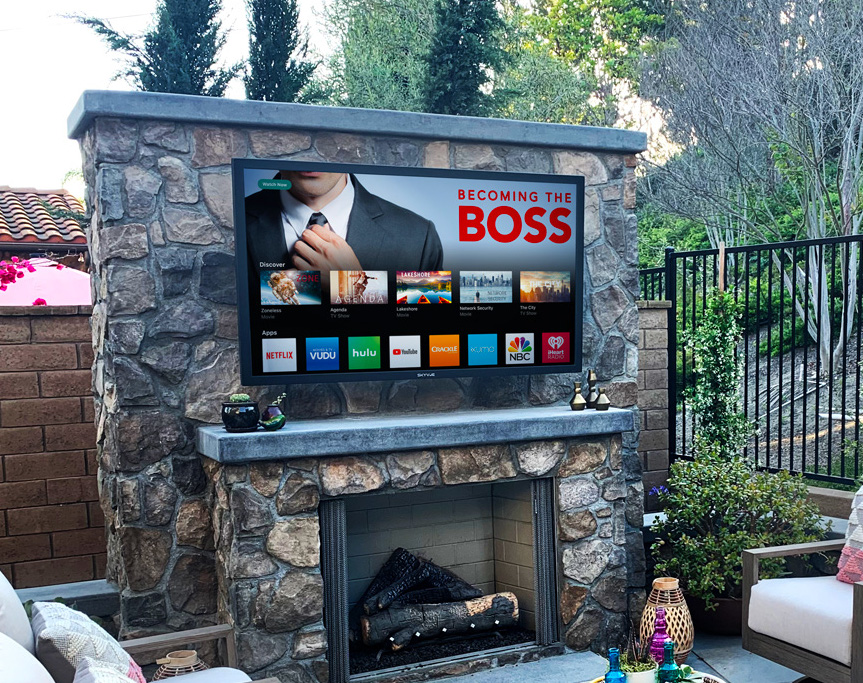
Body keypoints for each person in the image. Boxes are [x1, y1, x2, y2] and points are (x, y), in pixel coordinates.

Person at [245, 171, 444, 273]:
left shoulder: (420, 237)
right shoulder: (234, 222)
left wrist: (352, 287)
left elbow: (430, 331)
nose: (312, 154)